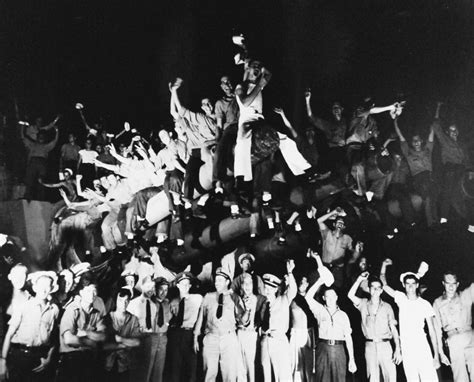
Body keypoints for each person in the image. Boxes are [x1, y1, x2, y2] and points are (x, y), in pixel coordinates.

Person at [380, 259, 447, 381]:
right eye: (407, 283)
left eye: (413, 283)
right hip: (407, 348)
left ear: (417, 285)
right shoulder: (401, 298)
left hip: (422, 347)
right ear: (404, 285)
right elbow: (384, 284)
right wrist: (384, 265)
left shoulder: (425, 304)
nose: (410, 286)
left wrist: (436, 356)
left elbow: (432, 332)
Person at [305, 252, 357, 381]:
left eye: (332, 296)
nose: (330, 299)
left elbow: (348, 338)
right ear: (323, 298)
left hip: (339, 350)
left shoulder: (343, 315)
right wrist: (319, 281)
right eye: (327, 297)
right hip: (323, 349)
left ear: (336, 297)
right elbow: (308, 297)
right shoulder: (319, 310)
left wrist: (352, 359)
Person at [0, 271, 59, 382]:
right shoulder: (23, 306)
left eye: (47, 286)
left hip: (40, 358)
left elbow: (54, 338)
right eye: (41, 286)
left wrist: (49, 358)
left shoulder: (54, 310)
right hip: (20, 356)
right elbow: (9, 334)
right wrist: (3, 361)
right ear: (35, 287)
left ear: (51, 289)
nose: (44, 290)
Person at [347, 273, 401, 382]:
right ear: (369, 289)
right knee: (372, 378)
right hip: (370, 346)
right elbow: (350, 295)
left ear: (381, 290)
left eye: (378, 288)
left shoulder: (387, 307)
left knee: (391, 377)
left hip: (385, 345)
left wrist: (398, 349)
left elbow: (394, 329)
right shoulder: (363, 303)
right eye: (373, 287)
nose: (375, 290)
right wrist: (359, 280)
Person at [193, 267, 244, 382]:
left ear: (227, 282)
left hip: (229, 338)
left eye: (220, 280)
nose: (217, 283)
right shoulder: (208, 296)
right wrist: (195, 336)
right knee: (209, 372)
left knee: (229, 373)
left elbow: (242, 318)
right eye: (216, 280)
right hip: (211, 337)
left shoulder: (234, 297)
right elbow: (201, 317)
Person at [57, 274, 107, 382]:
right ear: (81, 293)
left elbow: (103, 336)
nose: (92, 295)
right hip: (71, 358)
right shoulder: (72, 310)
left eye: (94, 291)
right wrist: (91, 337)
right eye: (88, 291)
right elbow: (68, 339)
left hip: (88, 358)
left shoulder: (96, 313)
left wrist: (83, 333)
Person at [394, 116, 438, 226]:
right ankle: (431, 223)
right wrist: (395, 121)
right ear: (411, 143)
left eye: (418, 140)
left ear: (421, 141)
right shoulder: (408, 152)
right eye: (414, 141)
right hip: (419, 179)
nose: (416, 142)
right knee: (427, 195)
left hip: (430, 177)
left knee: (432, 196)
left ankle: (434, 222)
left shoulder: (427, 150)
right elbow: (401, 137)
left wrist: (433, 121)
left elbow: (431, 135)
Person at [432, 102, 471, 226]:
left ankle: (469, 220)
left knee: (461, 194)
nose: (453, 132)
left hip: (462, 169)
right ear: (448, 132)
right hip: (450, 168)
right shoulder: (445, 140)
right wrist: (438, 107)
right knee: (448, 191)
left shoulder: (462, 145)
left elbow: (467, 160)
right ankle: (443, 218)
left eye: (455, 130)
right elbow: (436, 125)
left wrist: (470, 171)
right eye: (451, 130)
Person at [258, 259, 297, 382]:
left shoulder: (283, 299)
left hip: (279, 340)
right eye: (266, 287)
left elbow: (293, 290)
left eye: (271, 287)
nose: (268, 289)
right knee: (266, 375)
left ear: (276, 289)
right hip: (265, 340)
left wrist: (290, 273)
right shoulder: (262, 303)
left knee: (283, 375)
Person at [127, 276, 171, 382]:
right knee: (145, 370)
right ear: (155, 289)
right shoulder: (148, 303)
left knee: (158, 371)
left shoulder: (167, 303)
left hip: (163, 339)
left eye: (166, 290)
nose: (163, 292)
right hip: (150, 338)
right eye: (161, 289)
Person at [433, 271, 474, 382]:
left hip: (470, 338)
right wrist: (440, 353)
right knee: (460, 377)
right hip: (453, 340)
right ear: (443, 283)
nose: (451, 286)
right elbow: (437, 331)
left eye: (454, 283)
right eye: (447, 283)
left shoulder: (466, 295)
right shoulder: (437, 303)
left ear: (458, 284)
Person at [168, 272, 203, 382]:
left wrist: (196, 337)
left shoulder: (198, 299)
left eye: (188, 284)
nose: (185, 287)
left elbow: (201, 317)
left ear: (191, 286)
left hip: (190, 334)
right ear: (177, 285)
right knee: (175, 367)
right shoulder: (172, 301)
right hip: (176, 334)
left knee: (191, 367)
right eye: (182, 284)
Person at [317, 208, 362, 288]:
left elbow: (353, 254)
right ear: (334, 224)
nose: (340, 224)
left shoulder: (347, 238)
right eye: (338, 222)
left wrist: (358, 251)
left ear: (344, 227)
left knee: (336, 289)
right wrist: (333, 212)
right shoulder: (327, 233)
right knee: (320, 288)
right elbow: (319, 220)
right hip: (325, 266)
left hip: (338, 269)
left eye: (342, 223)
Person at [103, 288, 141, 382]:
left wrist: (118, 339)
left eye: (126, 300)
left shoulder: (133, 319)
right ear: (115, 300)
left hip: (124, 364)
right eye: (120, 300)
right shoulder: (107, 319)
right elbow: (103, 345)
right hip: (107, 364)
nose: (124, 303)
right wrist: (125, 344)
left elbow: (136, 342)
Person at [236, 272, 265, 382]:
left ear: (254, 285)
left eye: (250, 283)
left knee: (250, 365)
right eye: (245, 283)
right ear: (242, 286)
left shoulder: (260, 299)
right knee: (239, 366)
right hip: (239, 334)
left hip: (251, 335)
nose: (247, 286)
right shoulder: (238, 299)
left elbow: (263, 318)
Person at [289, 275, 318, 382]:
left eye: (305, 282)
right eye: (301, 281)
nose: (303, 284)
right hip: (295, 334)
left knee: (309, 365)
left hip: (308, 334)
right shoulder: (292, 299)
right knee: (296, 365)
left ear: (308, 284)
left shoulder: (312, 300)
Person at [20, 122, 59, 200]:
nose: (41, 138)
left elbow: (54, 141)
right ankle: (28, 197)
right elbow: (23, 137)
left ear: (44, 138)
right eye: (39, 137)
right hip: (33, 162)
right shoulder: (32, 144)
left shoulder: (46, 146)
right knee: (29, 180)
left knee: (41, 181)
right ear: (37, 138)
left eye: (42, 137)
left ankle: (40, 198)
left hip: (42, 163)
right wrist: (22, 127)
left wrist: (57, 131)